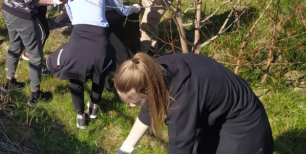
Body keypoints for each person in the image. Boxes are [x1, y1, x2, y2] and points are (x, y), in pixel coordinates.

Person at [113, 52, 274, 154]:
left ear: (150, 90)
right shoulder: (151, 70)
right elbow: (147, 109)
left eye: (136, 101)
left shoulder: (180, 100)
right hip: (215, 115)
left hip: (243, 122)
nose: (132, 106)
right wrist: (125, 149)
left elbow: (180, 147)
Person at [46, 0, 141, 129]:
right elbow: (122, 10)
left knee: (75, 78)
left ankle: (80, 116)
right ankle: (94, 107)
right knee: (100, 73)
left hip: (77, 41)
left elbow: (73, 19)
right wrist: (134, 8)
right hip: (100, 43)